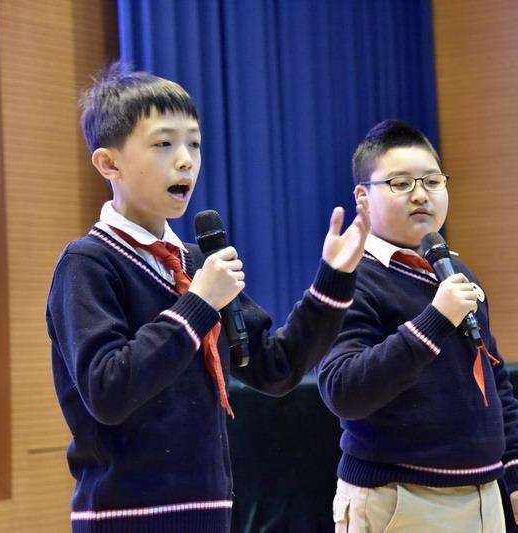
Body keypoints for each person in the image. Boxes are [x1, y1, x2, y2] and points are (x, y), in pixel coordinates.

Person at [46, 62, 369, 533]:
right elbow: (108, 390)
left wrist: (333, 280)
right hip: (125, 518)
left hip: (210, 513)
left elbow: (275, 368)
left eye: (194, 144)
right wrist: (198, 304)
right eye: (164, 144)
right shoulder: (88, 263)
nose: (186, 161)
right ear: (109, 164)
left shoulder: (196, 262)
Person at [317, 119, 518, 532]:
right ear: (363, 197)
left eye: (432, 181)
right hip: (397, 498)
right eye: (401, 183)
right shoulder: (351, 277)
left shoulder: (455, 273)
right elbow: (342, 389)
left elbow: (493, 377)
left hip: (482, 495)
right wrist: (435, 320)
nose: (421, 194)